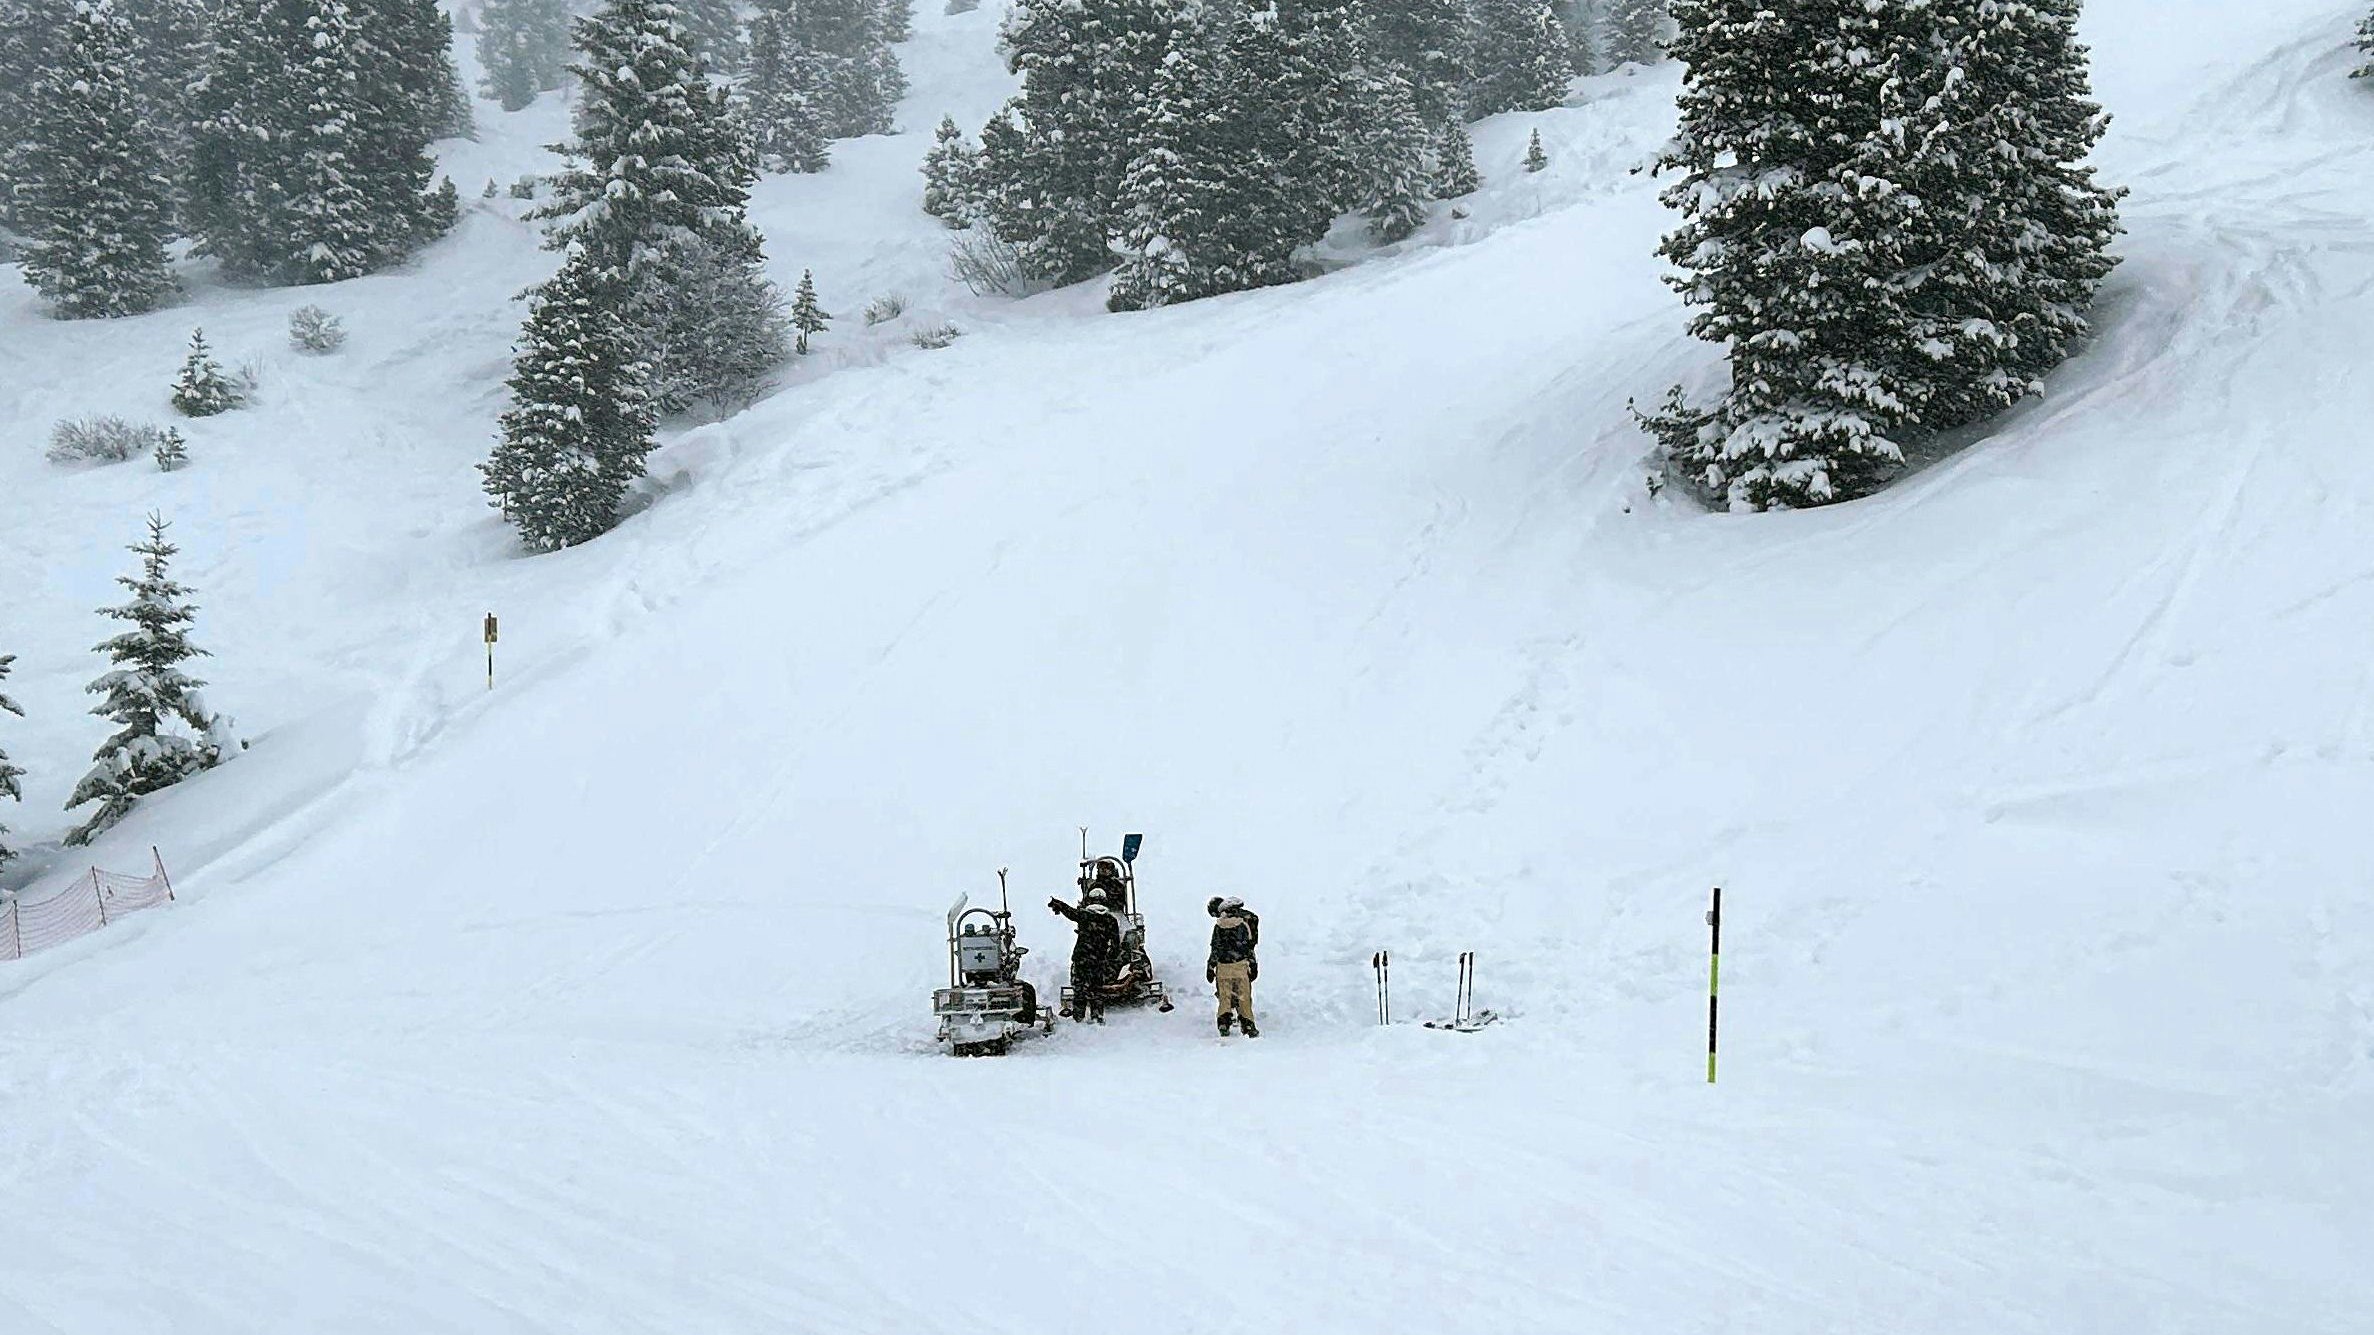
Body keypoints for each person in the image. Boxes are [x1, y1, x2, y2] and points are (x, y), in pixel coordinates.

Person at [1049, 886, 1124, 1022]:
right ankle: (1097, 1016)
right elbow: (1115, 945)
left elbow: (1070, 912)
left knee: (1080, 989)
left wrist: (1058, 904)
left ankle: (1079, 1017)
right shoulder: (1111, 920)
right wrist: (1110, 958)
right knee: (1097, 989)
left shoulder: (1084, 915)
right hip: (1099, 960)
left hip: (1081, 958)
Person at [1206, 896, 1259, 1037]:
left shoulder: (1218, 927)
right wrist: (1253, 965)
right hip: (1240, 966)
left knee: (1224, 996)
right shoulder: (1243, 924)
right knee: (1244, 997)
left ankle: (1224, 1021)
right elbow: (1248, 948)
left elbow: (1215, 948)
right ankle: (1248, 1024)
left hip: (1223, 967)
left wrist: (1210, 967)